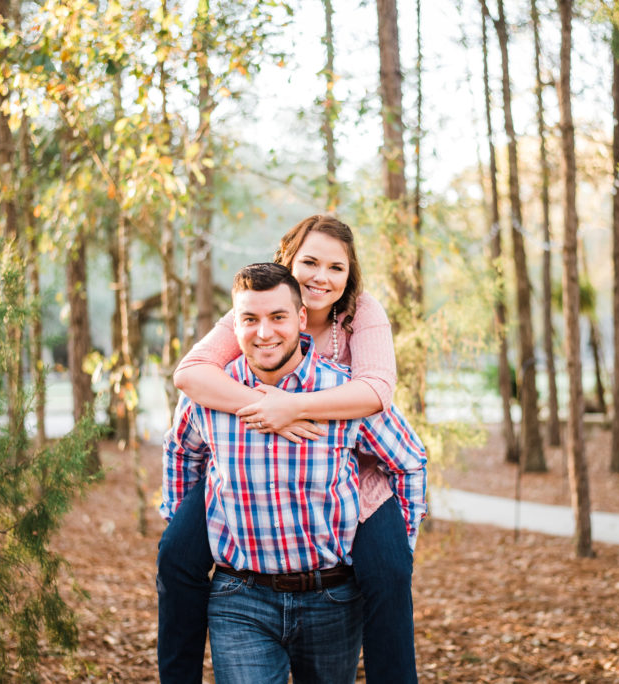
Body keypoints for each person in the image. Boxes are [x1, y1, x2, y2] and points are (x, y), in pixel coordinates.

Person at [157, 215, 421, 683]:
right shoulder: (258, 304)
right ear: (288, 262)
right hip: (249, 452)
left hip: (351, 465)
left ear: (349, 274)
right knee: (176, 555)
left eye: (336, 267)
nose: (322, 277)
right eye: (310, 262)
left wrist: (295, 407)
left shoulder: (363, 313)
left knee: (389, 571)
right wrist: (266, 407)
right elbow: (191, 373)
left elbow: (379, 389)